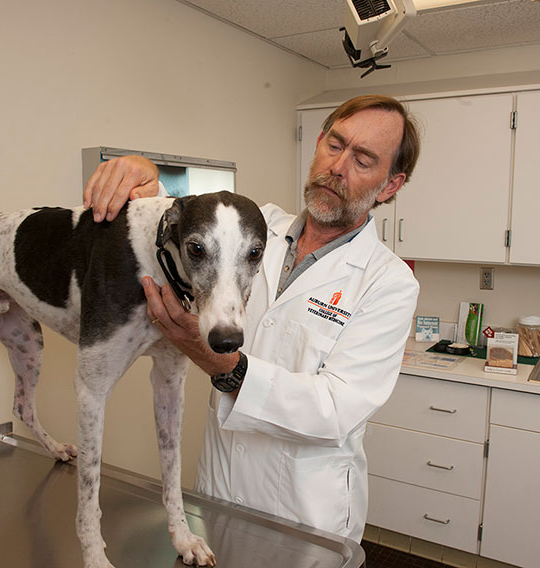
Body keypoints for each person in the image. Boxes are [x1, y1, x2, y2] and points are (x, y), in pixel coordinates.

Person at [83, 95, 421, 543]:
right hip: (220, 489)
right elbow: (189, 230)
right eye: (335, 145)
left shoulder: (389, 282)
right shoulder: (257, 226)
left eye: (362, 159)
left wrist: (222, 365)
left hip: (307, 512)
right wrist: (147, 176)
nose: (338, 167)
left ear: (390, 185)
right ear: (318, 144)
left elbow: (335, 409)